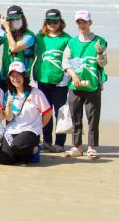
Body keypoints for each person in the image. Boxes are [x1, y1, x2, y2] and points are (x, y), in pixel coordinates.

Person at [62, 10, 108, 160]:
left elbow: (103, 63)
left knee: (93, 117)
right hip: (75, 86)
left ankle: (91, 148)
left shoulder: (99, 41)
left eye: (84, 21)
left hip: (93, 85)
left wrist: (100, 53)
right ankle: (77, 147)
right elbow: (65, 62)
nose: (82, 24)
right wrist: (74, 76)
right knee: (76, 117)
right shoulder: (71, 42)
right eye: (79, 22)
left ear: (90, 22)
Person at [33, 8, 71, 153]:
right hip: (42, 79)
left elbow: (71, 59)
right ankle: (47, 141)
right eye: (49, 21)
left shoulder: (67, 39)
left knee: (60, 112)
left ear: (60, 22)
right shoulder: (40, 37)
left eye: (55, 21)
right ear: (45, 22)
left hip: (59, 81)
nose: (52, 24)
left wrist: (67, 76)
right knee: (45, 111)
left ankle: (60, 143)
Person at [0, 62, 52, 165]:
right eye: (13, 76)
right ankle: (23, 156)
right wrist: (9, 105)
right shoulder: (8, 94)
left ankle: (34, 151)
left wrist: (39, 126)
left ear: (24, 75)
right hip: (12, 130)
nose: (16, 79)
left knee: (17, 146)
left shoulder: (36, 93)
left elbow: (48, 112)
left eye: (19, 75)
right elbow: (9, 118)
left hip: (30, 130)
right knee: (4, 159)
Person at [0, 5, 36, 89]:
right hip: (5, 76)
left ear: (23, 18)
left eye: (17, 18)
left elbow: (14, 48)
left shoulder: (29, 36)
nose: (15, 21)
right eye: (11, 19)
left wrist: (7, 30)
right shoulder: (6, 34)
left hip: (21, 78)